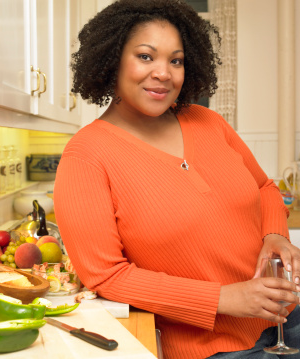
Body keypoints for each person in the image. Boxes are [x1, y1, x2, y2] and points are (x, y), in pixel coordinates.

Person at [53, 1, 300, 358]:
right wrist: (225, 298)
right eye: (145, 56)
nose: (163, 73)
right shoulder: (86, 156)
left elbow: (264, 188)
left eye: (176, 60)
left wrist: (273, 234)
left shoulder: (208, 122)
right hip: (211, 348)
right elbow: (107, 276)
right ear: (112, 61)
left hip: (284, 317)